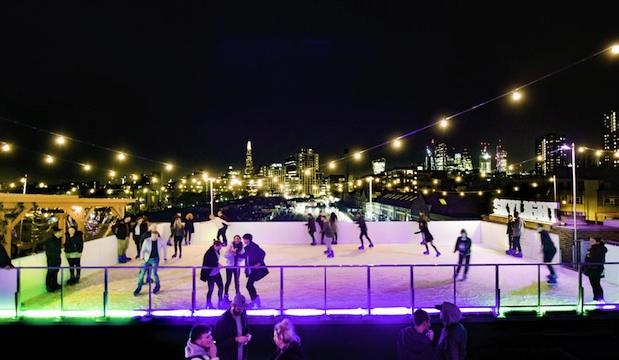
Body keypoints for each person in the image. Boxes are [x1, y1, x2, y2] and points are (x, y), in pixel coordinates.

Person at [214, 294, 252, 360]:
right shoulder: (223, 320)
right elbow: (219, 344)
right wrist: (235, 339)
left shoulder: (243, 314)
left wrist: (248, 335)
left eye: (243, 308)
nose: (241, 310)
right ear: (233, 305)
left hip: (242, 355)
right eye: (239, 308)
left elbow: (246, 329)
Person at [134, 226, 167, 296]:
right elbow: (143, 250)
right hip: (146, 259)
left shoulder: (160, 240)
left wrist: (165, 257)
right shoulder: (147, 240)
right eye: (153, 236)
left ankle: (157, 286)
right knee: (142, 274)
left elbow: (165, 248)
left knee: (154, 274)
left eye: (156, 236)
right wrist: (142, 257)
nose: (154, 237)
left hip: (155, 259)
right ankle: (138, 288)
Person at [239, 233, 269, 309]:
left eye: (244, 239)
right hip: (251, 270)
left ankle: (255, 301)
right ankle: (255, 301)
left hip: (256, 270)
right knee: (249, 285)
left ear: (247, 239)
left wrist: (259, 263)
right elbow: (245, 255)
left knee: (249, 285)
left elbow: (263, 253)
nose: (243, 240)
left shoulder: (254, 246)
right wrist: (235, 254)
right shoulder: (247, 247)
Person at [201, 240, 225, 309]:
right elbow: (209, 262)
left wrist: (218, 265)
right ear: (216, 245)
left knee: (220, 287)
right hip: (210, 274)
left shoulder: (216, 250)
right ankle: (208, 304)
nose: (221, 248)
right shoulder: (209, 253)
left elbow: (215, 261)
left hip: (216, 272)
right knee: (211, 289)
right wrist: (218, 265)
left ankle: (220, 302)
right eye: (220, 247)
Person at [583, 236, 608, 303]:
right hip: (591, 269)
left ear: (597, 242)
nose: (590, 242)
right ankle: (596, 298)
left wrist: (589, 256)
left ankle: (600, 298)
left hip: (596, 269)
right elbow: (588, 259)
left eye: (592, 241)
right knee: (594, 284)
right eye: (590, 241)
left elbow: (595, 259)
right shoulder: (592, 249)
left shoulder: (599, 249)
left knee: (596, 284)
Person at [223, 235, 245, 304]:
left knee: (237, 281)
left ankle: (237, 296)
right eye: (235, 239)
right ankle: (226, 296)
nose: (237, 240)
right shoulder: (230, 246)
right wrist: (232, 253)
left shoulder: (242, 247)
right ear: (233, 239)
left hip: (237, 266)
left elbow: (242, 257)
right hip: (229, 266)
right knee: (228, 281)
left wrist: (237, 255)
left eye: (238, 239)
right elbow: (225, 256)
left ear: (240, 240)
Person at [45, 226, 63, 292]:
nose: (61, 234)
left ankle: (55, 284)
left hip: (57, 259)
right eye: (60, 232)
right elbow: (50, 251)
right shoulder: (50, 240)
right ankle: (48, 286)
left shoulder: (57, 240)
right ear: (57, 233)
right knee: (50, 273)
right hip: (52, 260)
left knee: (55, 272)